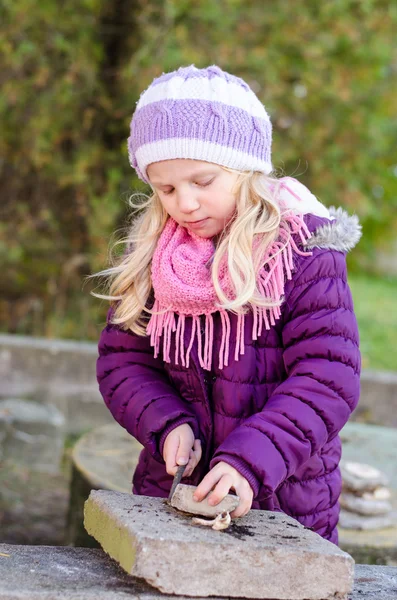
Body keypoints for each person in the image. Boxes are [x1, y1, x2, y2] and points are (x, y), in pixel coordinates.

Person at [93, 64, 362, 544]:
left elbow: (328, 377)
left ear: (246, 168)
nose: (186, 204)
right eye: (167, 188)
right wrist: (165, 421)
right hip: (173, 493)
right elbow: (123, 362)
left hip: (285, 502)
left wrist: (251, 458)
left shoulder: (302, 253)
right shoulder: (157, 259)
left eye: (203, 180)